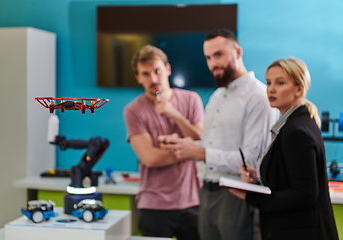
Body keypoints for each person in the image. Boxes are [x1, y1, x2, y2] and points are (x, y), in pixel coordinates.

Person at [159, 29, 279, 240]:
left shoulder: (259, 97)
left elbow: (253, 161)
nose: (213, 63)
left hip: (238, 197)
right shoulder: (216, 97)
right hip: (207, 194)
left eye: (219, 54)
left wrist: (199, 153)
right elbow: (210, 145)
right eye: (208, 57)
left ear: (238, 52)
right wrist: (185, 145)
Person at [229, 57, 339, 240]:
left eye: (280, 83)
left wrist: (251, 197)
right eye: (269, 82)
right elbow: (291, 177)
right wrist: (260, 177)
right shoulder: (297, 123)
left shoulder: (296, 130)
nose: (271, 89)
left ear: (299, 89)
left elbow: (305, 194)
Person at [123, 45, 204, 240]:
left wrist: (174, 114)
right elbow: (149, 158)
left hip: (194, 201)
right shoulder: (133, 110)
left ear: (167, 69)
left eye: (157, 71)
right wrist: (187, 150)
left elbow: (201, 142)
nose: (153, 79)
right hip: (154, 205)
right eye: (146, 74)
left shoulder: (191, 99)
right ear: (138, 78)